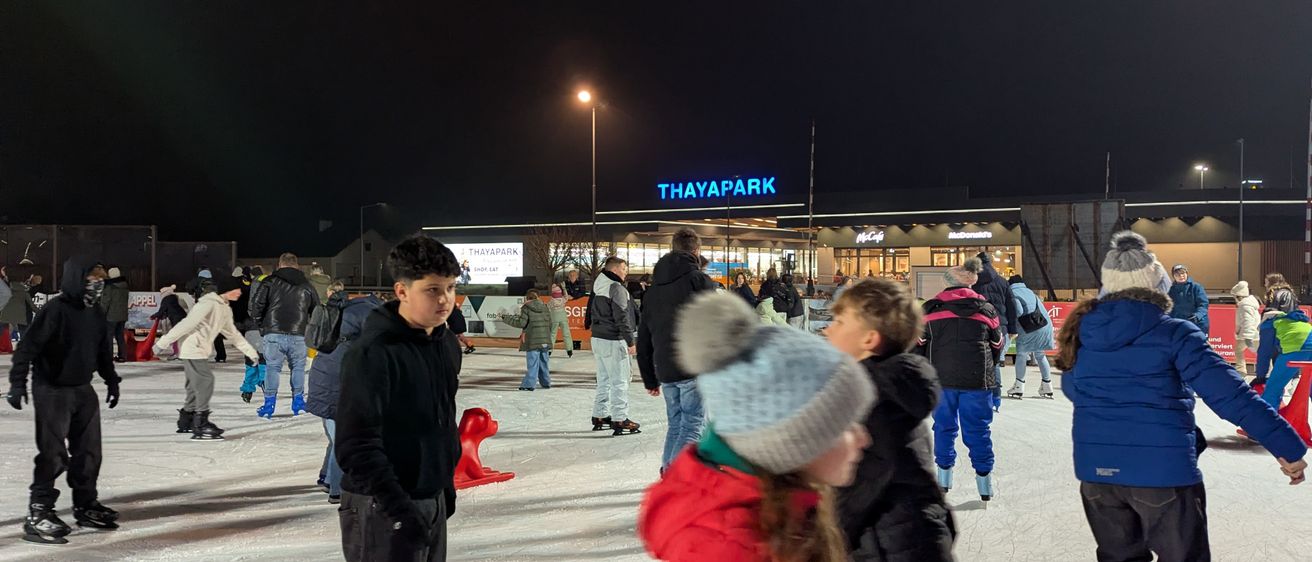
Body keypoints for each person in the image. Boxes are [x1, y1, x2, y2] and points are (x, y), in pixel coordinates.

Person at [1057, 231, 1307, 561]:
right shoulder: (1175, 333)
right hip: (1163, 475)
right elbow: (1231, 395)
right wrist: (1286, 446)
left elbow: (1073, 389)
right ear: (1158, 285)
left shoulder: (1083, 333)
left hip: (1098, 478)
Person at [638, 291, 875, 562]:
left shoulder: (788, 504)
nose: (863, 439)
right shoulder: (731, 550)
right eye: (844, 425)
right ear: (793, 441)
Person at [336, 236, 463, 561]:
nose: (445, 299)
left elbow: (443, 420)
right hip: (381, 504)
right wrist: (398, 509)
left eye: (450, 287)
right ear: (402, 291)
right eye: (432, 289)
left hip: (430, 496)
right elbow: (355, 446)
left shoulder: (446, 345)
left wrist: (444, 485)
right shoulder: (373, 353)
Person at [826, 278, 954, 561]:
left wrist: (824, 537)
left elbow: (859, 486)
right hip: (908, 535)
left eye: (840, 322)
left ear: (869, 339)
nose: (828, 329)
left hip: (892, 545)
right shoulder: (889, 387)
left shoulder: (872, 398)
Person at [6, 258, 122, 544]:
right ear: (77, 280)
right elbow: (26, 348)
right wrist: (17, 383)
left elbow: (103, 351)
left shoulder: (95, 312)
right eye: (92, 280)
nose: (97, 286)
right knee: (53, 453)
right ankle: (38, 511)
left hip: (83, 388)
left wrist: (111, 380)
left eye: (101, 281)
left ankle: (85, 504)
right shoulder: (55, 310)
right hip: (52, 389)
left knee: (89, 453)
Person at [918, 258, 1004, 502]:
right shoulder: (986, 309)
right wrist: (988, 367)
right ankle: (984, 483)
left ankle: (944, 479)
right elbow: (997, 345)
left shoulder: (930, 309)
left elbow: (919, 345)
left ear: (946, 283)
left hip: (941, 380)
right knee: (978, 429)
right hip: (977, 381)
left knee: (943, 427)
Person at [637, 228, 718, 472]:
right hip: (693, 364)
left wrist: (650, 378)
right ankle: (675, 474)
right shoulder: (699, 281)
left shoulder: (653, 289)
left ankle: (667, 470)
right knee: (692, 424)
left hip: (665, 368)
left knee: (676, 424)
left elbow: (644, 337)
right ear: (697, 251)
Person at [152, 275, 259, 440]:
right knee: (205, 381)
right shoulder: (208, 303)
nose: (239, 293)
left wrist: (251, 352)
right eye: (236, 290)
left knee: (193, 385)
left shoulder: (223, 308)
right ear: (226, 290)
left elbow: (233, 335)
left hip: (198, 349)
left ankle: (186, 419)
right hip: (192, 348)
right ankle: (200, 423)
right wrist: (162, 343)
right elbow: (186, 324)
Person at [306, 284, 382, 504]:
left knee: (336, 436)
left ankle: (327, 478)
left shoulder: (345, 309)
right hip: (338, 384)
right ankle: (338, 490)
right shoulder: (369, 312)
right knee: (345, 440)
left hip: (322, 379)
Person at [248, 252, 319, 419]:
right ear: (297, 265)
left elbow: (256, 306)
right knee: (298, 368)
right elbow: (316, 309)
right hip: (298, 333)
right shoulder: (306, 284)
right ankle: (298, 402)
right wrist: (309, 327)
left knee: (272, 368)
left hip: (273, 332)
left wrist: (262, 326)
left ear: (279, 265)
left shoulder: (269, 282)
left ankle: (269, 404)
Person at [590, 257, 641, 435]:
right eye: (623, 268)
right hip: (613, 339)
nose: (626, 271)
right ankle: (620, 418)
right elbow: (621, 317)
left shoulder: (599, 285)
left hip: (598, 338)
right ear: (614, 270)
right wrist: (630, 341)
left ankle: (599, 415)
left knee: (603, 379)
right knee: (620, 380)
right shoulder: (616, 288)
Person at [971, 252, 1017, 411]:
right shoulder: (1002, 282)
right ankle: (996, 398)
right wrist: (1012, 329)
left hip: (979, 327)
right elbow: (1011, 306)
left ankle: (981, 397)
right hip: (1000, 327)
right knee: (995, 362)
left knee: (978, 362)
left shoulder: (973, 282)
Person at [1252, 302, 1312, 410]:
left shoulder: (1268, 324)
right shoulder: (1289, 320)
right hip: (1307, 341)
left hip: (1297, 348)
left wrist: (1260, 377)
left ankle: (1268, 418)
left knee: (1272, 389)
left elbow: (1264, 353)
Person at [1006, 275, 1055, 399]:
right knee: (1040, 355)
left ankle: (1019, 386)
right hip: (1044, 325)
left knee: (1021, 354)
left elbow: (1018, 311)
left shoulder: (1013, 293)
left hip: (1029, 328)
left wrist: (1010, 320)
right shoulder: (1030, 292)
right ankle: (1047, 385)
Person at [503, 289, 553, 391]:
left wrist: (506, 318)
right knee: (544, 362)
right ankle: (546, 382)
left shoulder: (526, 308)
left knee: (533, 363)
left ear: (527, 298)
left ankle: (529, 384)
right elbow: (550, 324)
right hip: (545, 340)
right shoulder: (545, 307)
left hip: (532, 341)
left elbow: (521, 323)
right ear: (538, 297)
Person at [1168, 264, 1209, 335]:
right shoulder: (1170, 290)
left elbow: (1203, 304)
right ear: (1173, 276)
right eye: (1177, 274)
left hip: (1198, 323)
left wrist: (1197, 315)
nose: (1181, 276)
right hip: (1179, 325)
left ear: (1187, 274)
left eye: (1183, 273)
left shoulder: (1196, 287)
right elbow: (1168, 308)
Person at [101, 267, 129, 363]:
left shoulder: (110, 287)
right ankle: (123, 356)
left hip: (111, 316)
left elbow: (105, 302)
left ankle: (109, 356)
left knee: (108, 336)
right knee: (120, 335)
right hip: (123, 315)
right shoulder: (125, 286)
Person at [1232, 281, 1261, 376]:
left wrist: (1248, 337)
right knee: (1260, 353)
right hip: (1253, 333)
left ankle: (1241, 370)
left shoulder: (1245, 306)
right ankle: (1264, 369)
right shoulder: (1248, 305)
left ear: (1238, 296)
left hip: (1249, 335)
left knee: (1239, 350)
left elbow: (1248, 321)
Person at [1, 268, 35, 345]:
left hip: (12, 312)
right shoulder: (24, 289)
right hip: (23, 313)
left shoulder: (11, 287)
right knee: (23, 331)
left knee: (6, 329)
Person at [546, 283, 574, 357]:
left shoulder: (551, 302)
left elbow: (547, 307)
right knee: (566, 334)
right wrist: (564, 288)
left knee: (552, 334)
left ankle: (549, 350)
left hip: (554, 318)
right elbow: (566, 296)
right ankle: (569, 350)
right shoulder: (563, 300)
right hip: (563, 318)